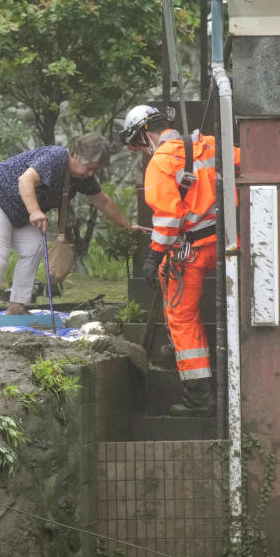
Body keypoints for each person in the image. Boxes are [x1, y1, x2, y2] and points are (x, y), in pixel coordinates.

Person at [120, 105, 240, 417]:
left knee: (182, 317)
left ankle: (199, 396)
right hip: (230, 243)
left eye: (136, 145)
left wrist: (153, 256)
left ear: (146, 134)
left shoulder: (160, 163)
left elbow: (169, 218)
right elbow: (248, 162)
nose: (140, 151)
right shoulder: (209, 144)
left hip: (192, 251)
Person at [0, 132, 142, 316]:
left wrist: (128, 228)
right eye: (90, 167)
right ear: (75, 155)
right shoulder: (55, 158)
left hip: (17, 208)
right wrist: (35, 211)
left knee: (34, 247)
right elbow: (25, 180)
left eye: (96, 170)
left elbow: (103, 202)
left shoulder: (83, 178)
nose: (91, 173)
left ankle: (16, 306)